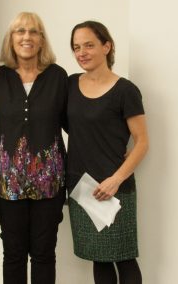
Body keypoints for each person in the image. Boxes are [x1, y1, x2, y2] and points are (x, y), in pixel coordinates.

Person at [66, 20, 149, 284]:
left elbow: (143, 142)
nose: (82, 53)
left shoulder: (125, 91)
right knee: (98, 256)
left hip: (115, 188)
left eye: (89, 45)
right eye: (77, 47)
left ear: (106, 46)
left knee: (124, 257)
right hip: (81, 187)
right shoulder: (69, 85)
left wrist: (116, 180)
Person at [0, 12, 68, 284]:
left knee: (44, 254)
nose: (27, 37)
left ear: (42, 39)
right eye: (20, 31)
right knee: (13, 253)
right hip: (7, 184)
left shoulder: (58, 76)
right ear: (11, 39)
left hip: (50, 183)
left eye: (34, 31)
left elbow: (76, 121)